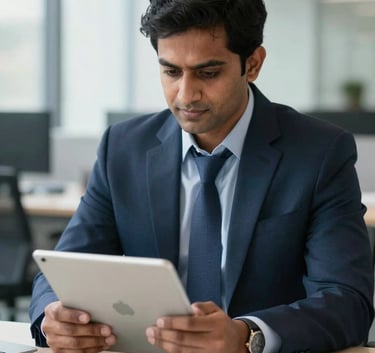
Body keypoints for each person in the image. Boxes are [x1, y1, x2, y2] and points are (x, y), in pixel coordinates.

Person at [29, 1, 374, 353]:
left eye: (208, 73)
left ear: (252, 64)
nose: (186, 95)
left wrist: (246, 335)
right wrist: (52, 318)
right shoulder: (123, 148)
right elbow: (60, 271)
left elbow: (347, 301)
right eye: (171, 72)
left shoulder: (319, 153)